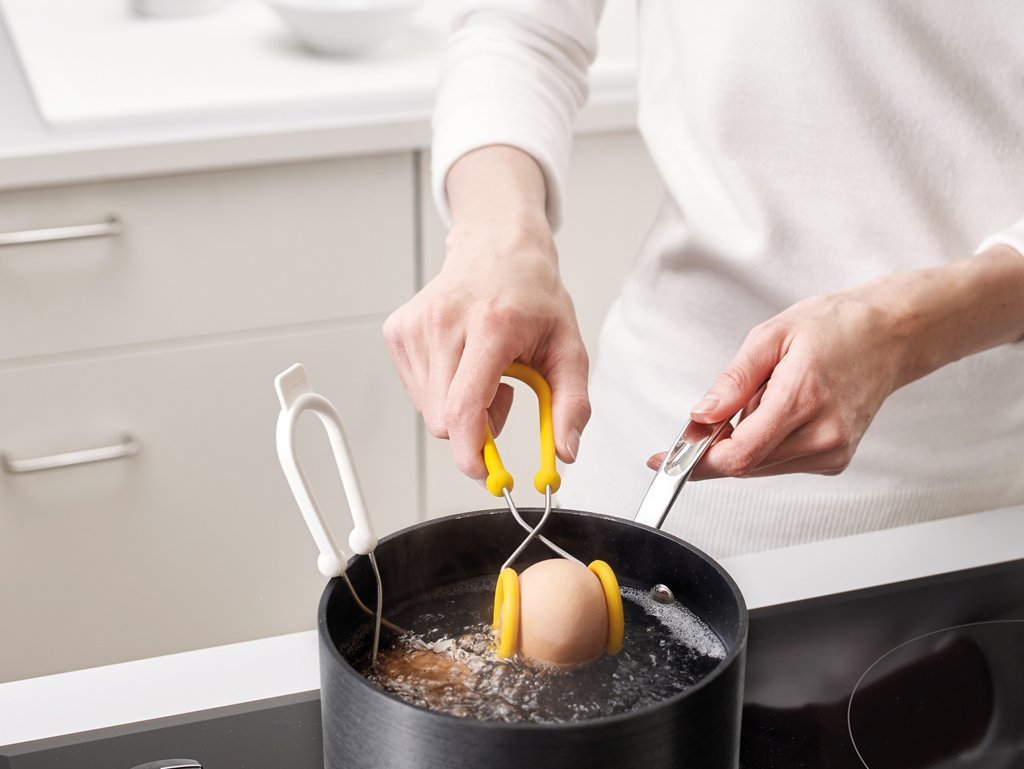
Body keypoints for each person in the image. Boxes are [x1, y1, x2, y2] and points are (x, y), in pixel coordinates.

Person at [384, 2, 1024, 558]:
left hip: (972, 512)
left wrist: (905, 331)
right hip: (644, 450)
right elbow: (518, 29)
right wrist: (499, 241)